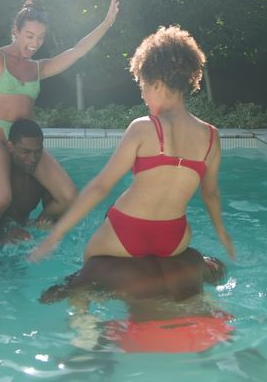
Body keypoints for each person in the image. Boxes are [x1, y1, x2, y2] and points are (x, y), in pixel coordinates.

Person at [29, 25, 234, 263]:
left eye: (144, 88)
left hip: (128, 230)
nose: (144, 97)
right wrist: (222, 234)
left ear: (156, 83)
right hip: (174, 237)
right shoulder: (211, 136)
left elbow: (100, 187)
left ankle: (81, 302)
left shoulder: (144, 128)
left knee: (86, 268)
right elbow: (210, 194)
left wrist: (55, 234)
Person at [0, 0, 119, 229]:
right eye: (29, 36)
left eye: (40, 38)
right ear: (16, 31)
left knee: (68, 197)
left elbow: (77, 52)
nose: (35, 43)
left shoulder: (38, 68)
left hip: (27, 144)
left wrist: (106, 23)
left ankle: (29, 229)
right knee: (1, 199)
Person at [41, 248, 234, 354]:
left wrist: (79, 278)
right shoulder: (193, 256)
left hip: (150, 336)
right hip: (211, 329)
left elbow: (49, 298)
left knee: (82, 298)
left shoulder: (102, 265)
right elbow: (218, 277)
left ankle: (87, 340)